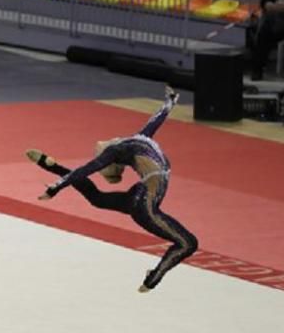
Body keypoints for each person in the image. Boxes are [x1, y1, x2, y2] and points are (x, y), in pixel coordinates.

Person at [29, 86, 198, 292]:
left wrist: (170, 101)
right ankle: (153, 278)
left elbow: (157, 119)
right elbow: (86, 170)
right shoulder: (118, 150)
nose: (104, 142)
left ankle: (50, 164)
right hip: (145, 206)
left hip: (139, 195)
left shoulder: (139, 138)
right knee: (188, 244)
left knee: (97, 199)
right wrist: (55, 188)